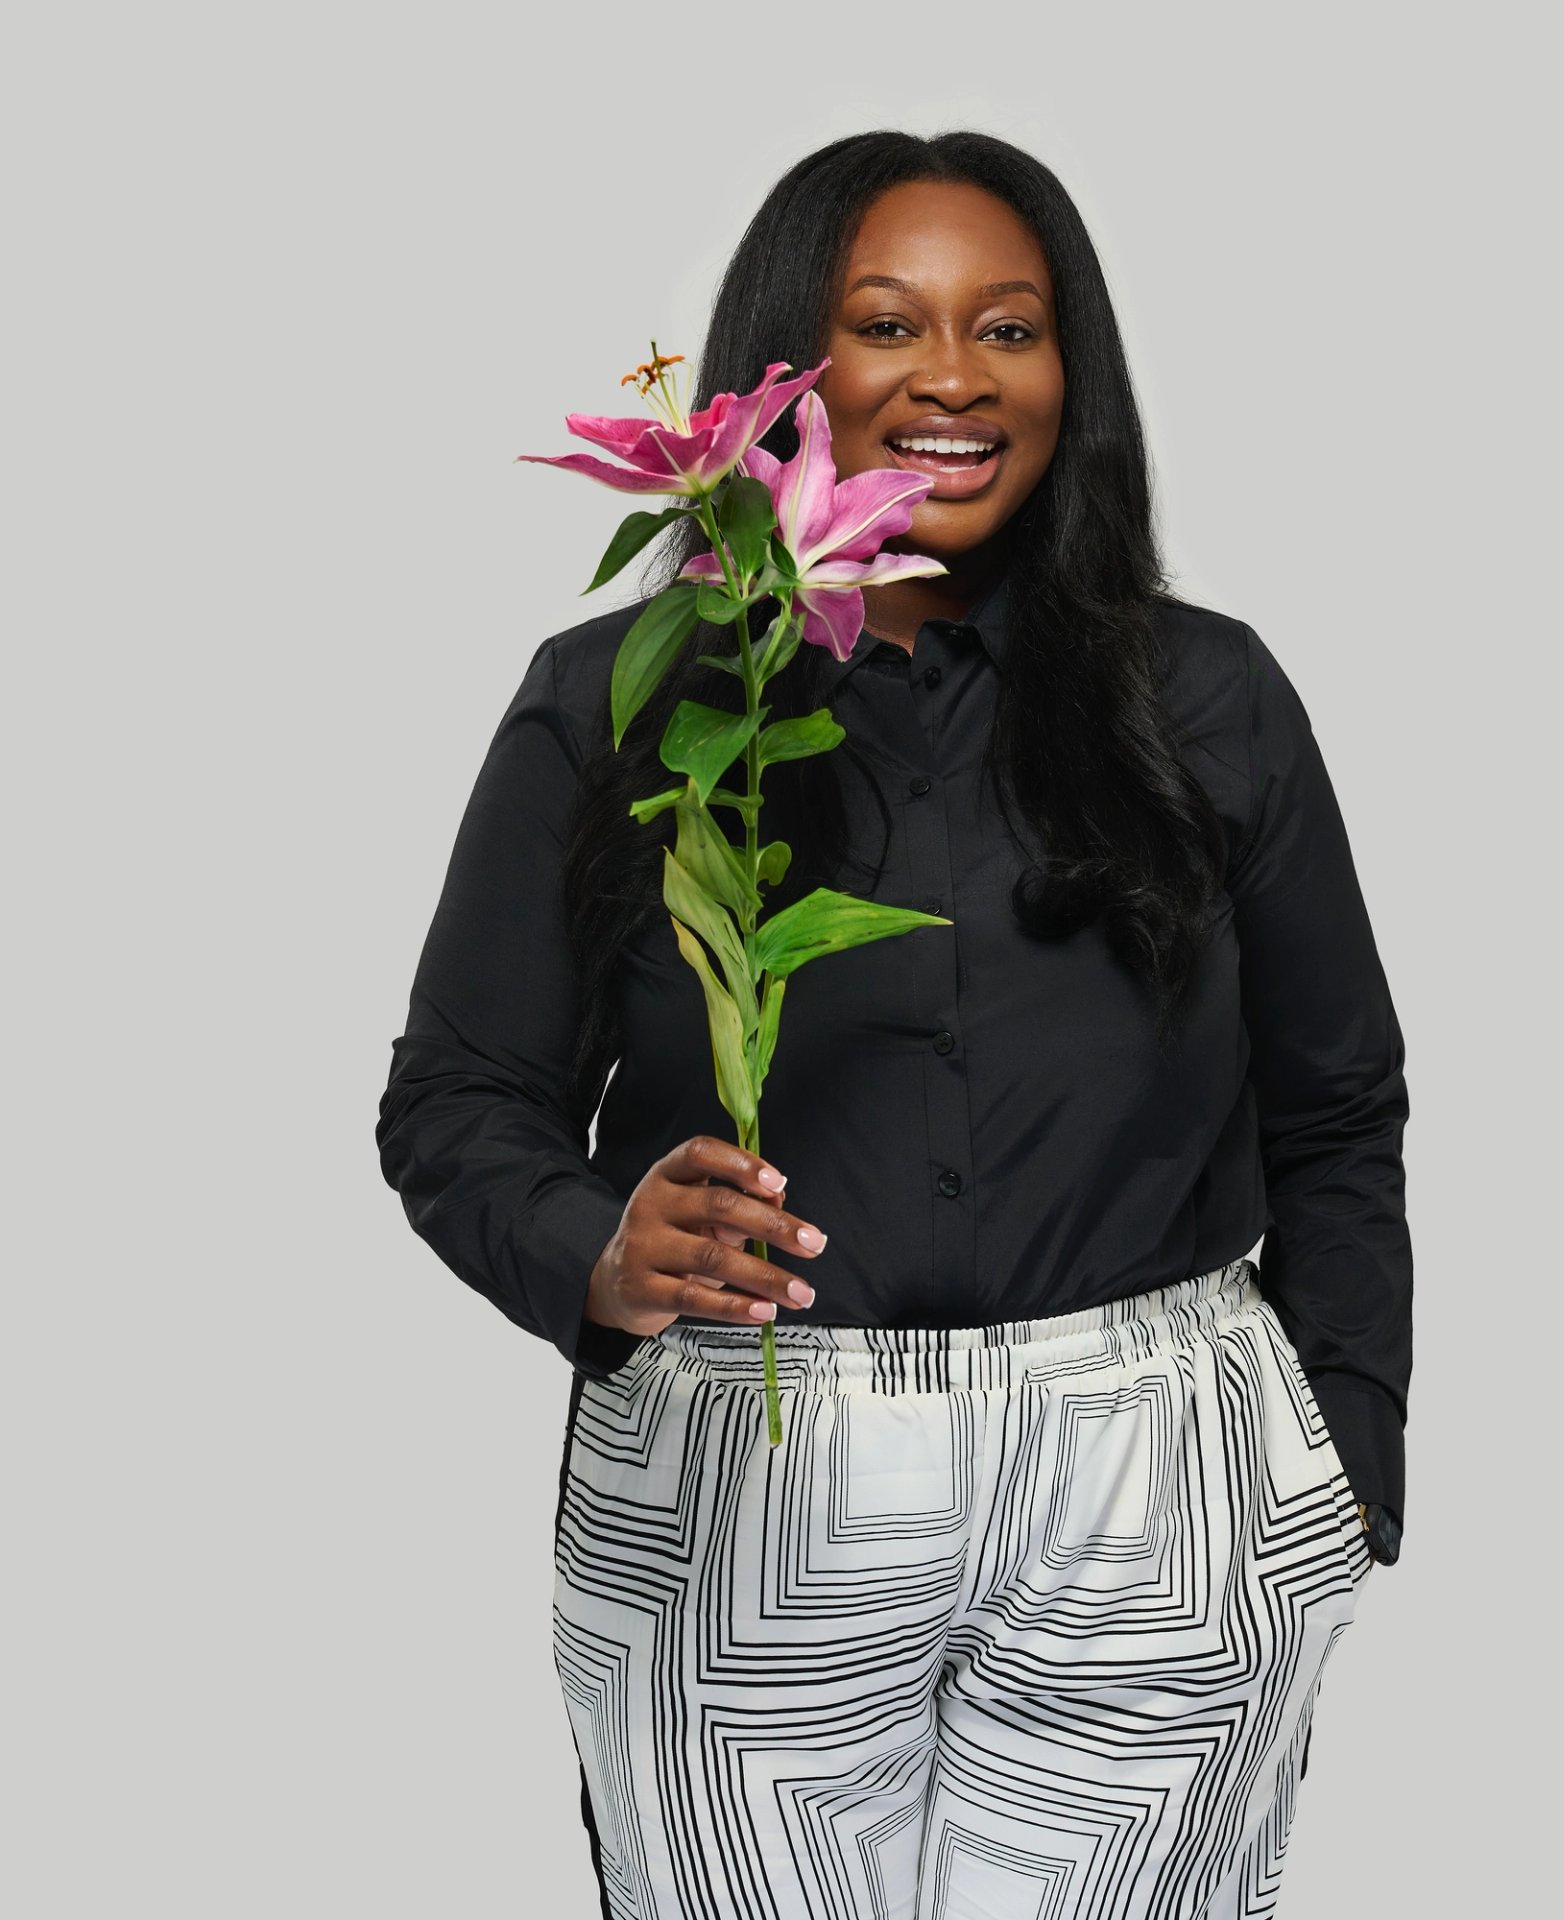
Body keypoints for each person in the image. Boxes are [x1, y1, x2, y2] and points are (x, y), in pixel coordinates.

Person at [376, 127, 1413, 1918]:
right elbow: (458, 1098)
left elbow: (1337, 1107)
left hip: (1154, 1490)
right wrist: (598, 1255)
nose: (954, 375)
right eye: (887, 324)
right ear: (787, 371)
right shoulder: (620, 705)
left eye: (1009, 328)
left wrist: (1345, 1460)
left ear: (1072, 375)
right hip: (744, 1465)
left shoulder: (1210, 699)